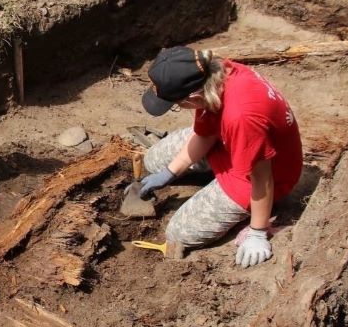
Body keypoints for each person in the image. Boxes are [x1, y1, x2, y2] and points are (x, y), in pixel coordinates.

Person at [126, 46, 303, 267]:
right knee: (152, 160)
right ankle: (209, 177)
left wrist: (258, 232)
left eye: (177, 104)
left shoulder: (241, 117)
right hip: (230, 142)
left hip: (261, 176)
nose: (179, 108)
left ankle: (258, 211)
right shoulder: (215, 74)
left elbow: (262, 178)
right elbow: (206, 133)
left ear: (194, 96)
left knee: (178, 232)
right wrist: (169, 173)